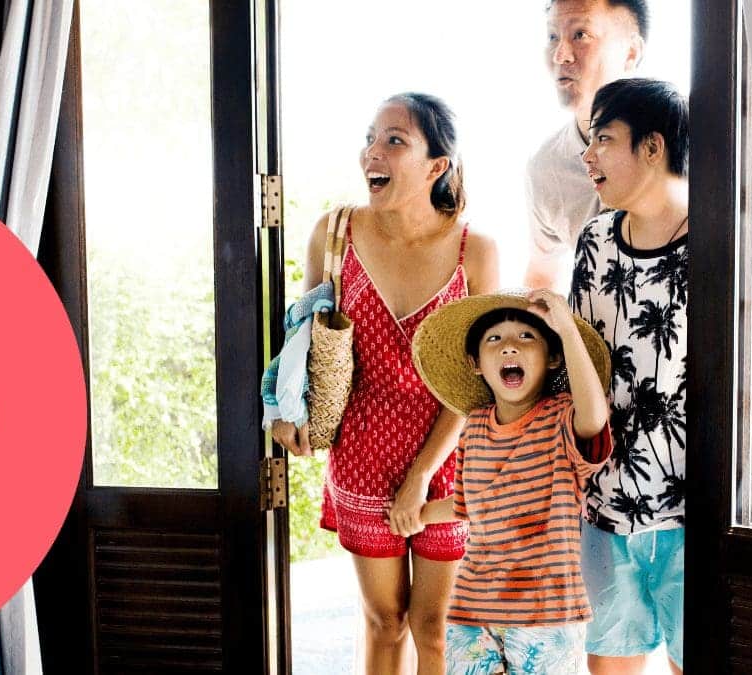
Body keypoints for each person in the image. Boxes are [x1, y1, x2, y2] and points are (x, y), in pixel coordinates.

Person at [271, 92, 499, 675]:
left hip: (447, 462)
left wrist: (420, 476)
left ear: (437, 165)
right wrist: (286, 412)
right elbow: (303, 342)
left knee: (437, 629)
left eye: (395, 140)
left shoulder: (477, 251)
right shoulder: (335, 233)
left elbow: (480, 384)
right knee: (383, 621)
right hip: (361, 456)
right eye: (371, 138)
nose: (373, 151)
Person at [407, 290, 613, 674]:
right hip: (473, 608)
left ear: (553, 358)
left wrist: (567, 330)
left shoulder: (562, 418)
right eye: (494, 340)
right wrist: (417, 514)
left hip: (547, 611)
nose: (508, 349)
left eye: (526, 338)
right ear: (475, 363)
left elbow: (595, 418)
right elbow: (470, 505)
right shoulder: (474, 427)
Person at [570, 78, 689, 674]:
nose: (587, 154)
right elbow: (577, 366)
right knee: (609, 667)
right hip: (604, 503)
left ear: (653, 147)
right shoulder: (593, 240)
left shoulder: (719, 242)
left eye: (603, 138)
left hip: (693, 508)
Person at [525, 0, 648, 292]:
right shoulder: (546, 168)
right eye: (553, 36)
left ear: (631, 52)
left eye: (580, 35)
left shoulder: (694, 141)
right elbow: (542, 277)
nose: (560, 55)